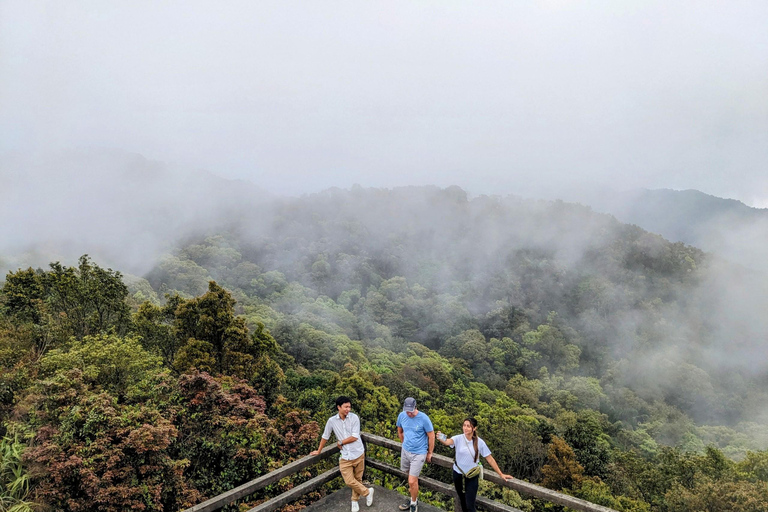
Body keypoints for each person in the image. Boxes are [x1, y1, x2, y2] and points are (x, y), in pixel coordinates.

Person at [311, 396, 374, 512]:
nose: (348, 409)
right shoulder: (332, 421)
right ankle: (367, 492)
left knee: (358, 479)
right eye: (345, 407)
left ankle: (354, 501)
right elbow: (325, 436)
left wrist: (341, 442)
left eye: (349, 407)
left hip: (358, 453)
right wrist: (319, 450)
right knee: (349, 481)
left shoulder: (354, 418)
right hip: (345, 456)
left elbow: (355, 436)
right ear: (338, 407)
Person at [436, 418, 513, 512]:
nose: (465, 428)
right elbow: (448, 441)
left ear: (474, 428)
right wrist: (441, 437)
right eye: (464, 425)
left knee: (470, 504)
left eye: (468, 426)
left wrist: (500, 474)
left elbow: (490, 459)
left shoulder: (480, 443)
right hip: (458, 473)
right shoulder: (458, 438)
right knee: (461, 498)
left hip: (472, 475)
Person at [396, 397, 434, 512]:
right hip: (406, 451)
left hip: (419, 453)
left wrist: (430, 452)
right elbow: (400, 430)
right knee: (411, 479)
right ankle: (414, 498)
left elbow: (431, 436)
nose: (409, 414)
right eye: (407, 411)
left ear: (415, 407)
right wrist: (404, 444)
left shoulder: (424, 418)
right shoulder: (402, 416)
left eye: (411, 411)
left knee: (412, 480)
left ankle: (413, 503)